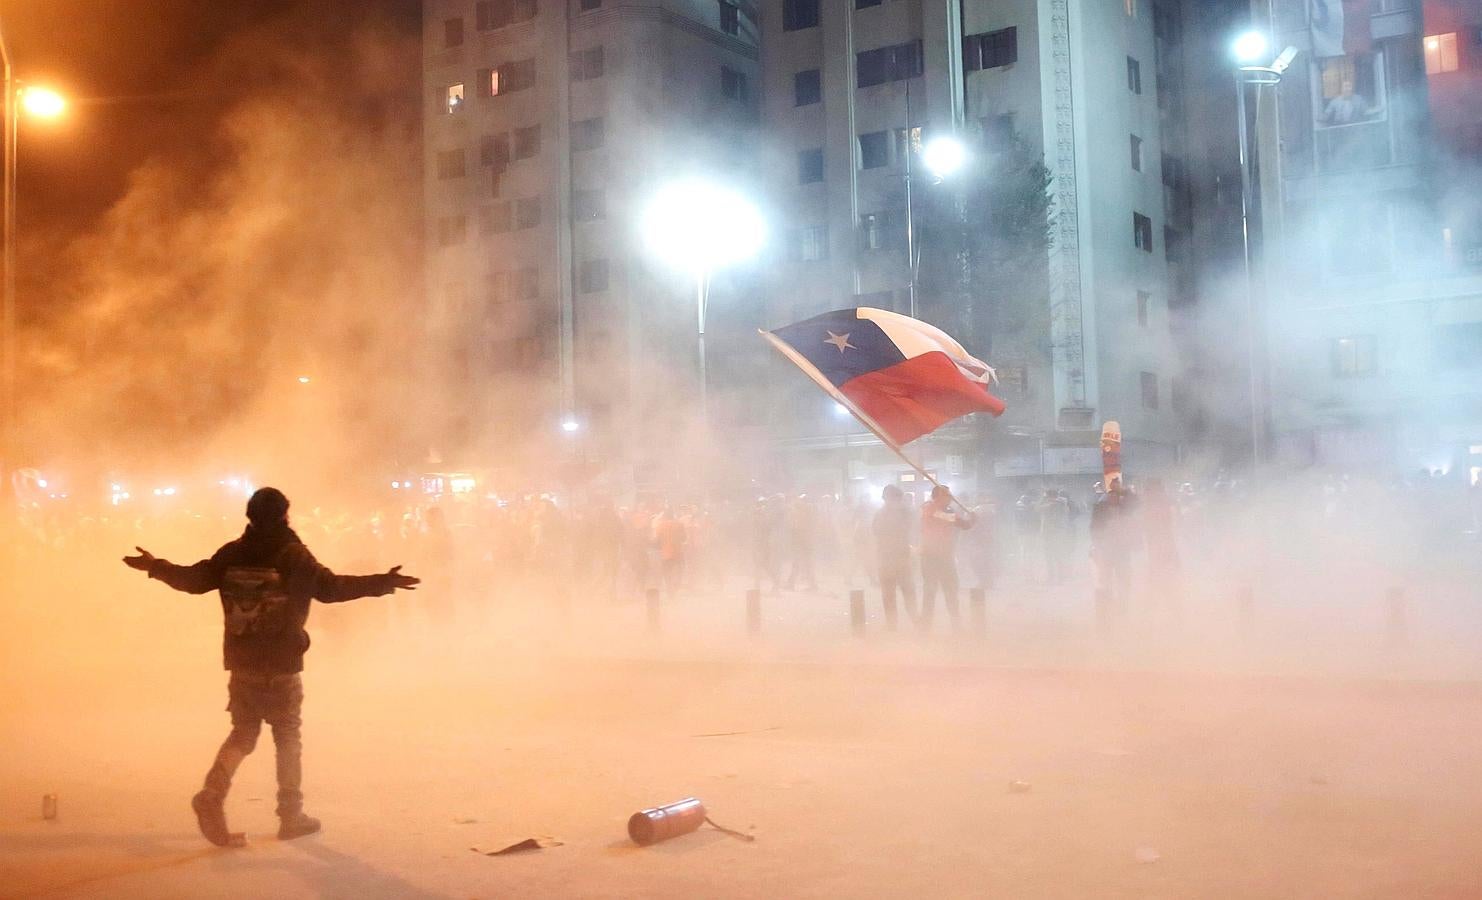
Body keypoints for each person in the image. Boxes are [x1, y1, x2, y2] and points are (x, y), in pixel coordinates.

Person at [122, 487, 419, 847]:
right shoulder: (292, 555)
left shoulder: (233, 553)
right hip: (281, 661)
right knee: (287, 736)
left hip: (242, 661)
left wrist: (155, 566)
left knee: (243, 733)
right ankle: (290, 816)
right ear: (284, 516)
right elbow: (331, 588)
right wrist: (382, 582)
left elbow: (194, 580)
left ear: (249, 516)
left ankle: (212, 795)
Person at [917, 484, 975, 631]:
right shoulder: (928, 508)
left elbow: (963, 524)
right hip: (930, 557)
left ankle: (956, 625)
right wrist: (967, 521)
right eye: (947, 495)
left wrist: (970, 521)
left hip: (946, 556)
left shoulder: (948, 510)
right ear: (938, 496)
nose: (950, 498)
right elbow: (954, 521)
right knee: (930, 592)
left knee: (951, 591)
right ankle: (925, 628)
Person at [871, 485, 915, 629]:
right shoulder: (882, 514)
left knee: (907, 591)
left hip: (899, 558)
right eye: (891, 498)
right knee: (890, 593)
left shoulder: (904, 513)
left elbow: (911, 527)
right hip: (887, 558)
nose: (894, 501)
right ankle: (892, 623)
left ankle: (914, 620)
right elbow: (876, 531)